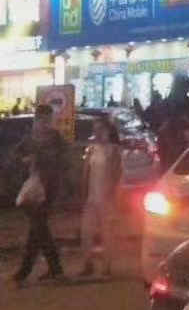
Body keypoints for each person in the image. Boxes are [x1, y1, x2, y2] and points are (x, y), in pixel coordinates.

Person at [9, 105, 66, 286]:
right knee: (39, 229)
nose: (46, 123)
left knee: (38, 229)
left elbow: (63, 160)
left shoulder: (55, 138)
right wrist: (25, 160)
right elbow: (15, 156)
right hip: (32, 189)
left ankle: (28, 271)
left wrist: (44, 160)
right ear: (37, 119)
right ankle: (53, 269)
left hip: (48, 189)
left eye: (48, 119)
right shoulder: (30, 138)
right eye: (43, 119)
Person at [80, 117, 123, 278]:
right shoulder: (91, 149)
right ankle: (88, 264)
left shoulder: (113, 150)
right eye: (95, 130)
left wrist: (114, 194)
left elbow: (117, 173)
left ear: (107, 131)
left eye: (101, 129)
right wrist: (83, 194)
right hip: (91, 198)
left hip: (107, 197)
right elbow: (85, 173)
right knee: (86, 232)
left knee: (107, 233)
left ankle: (106, 267)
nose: (97, 133)